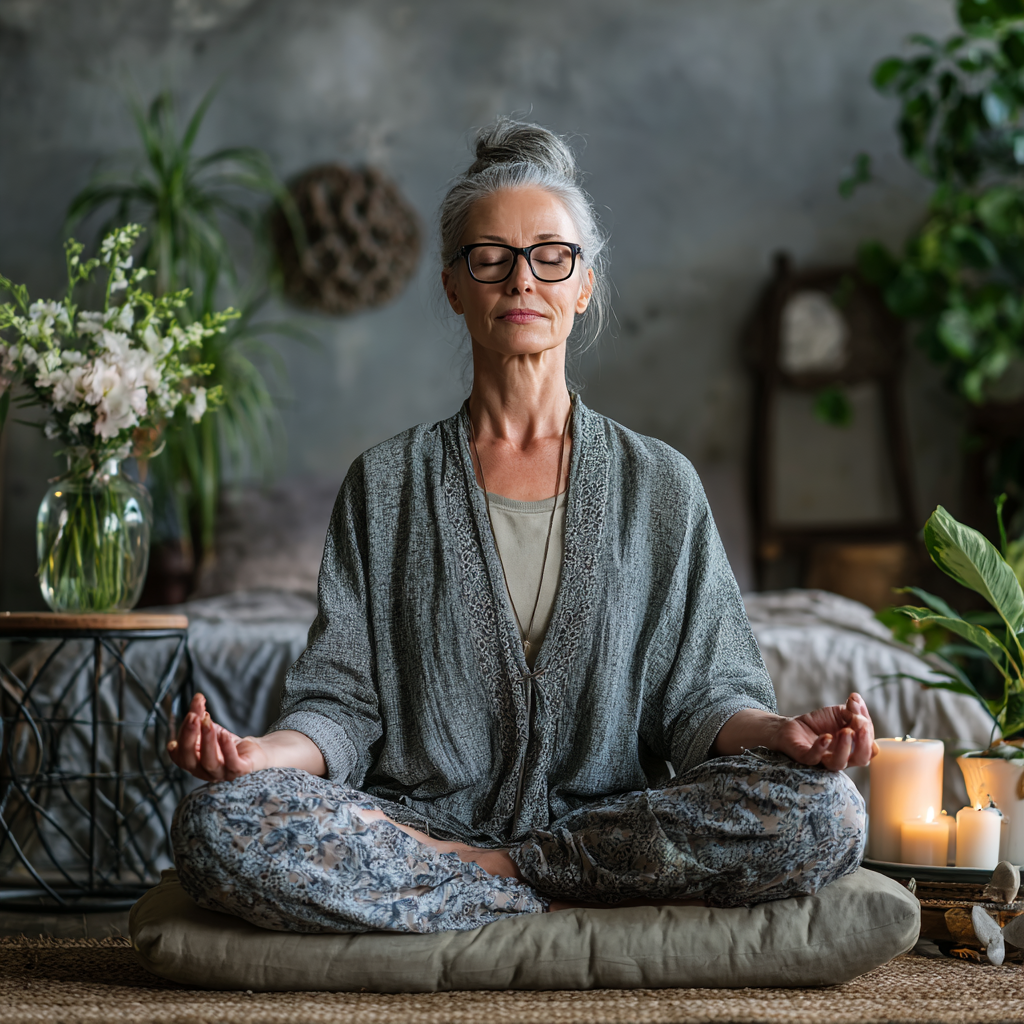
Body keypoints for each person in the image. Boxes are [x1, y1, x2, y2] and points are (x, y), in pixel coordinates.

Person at [169, 117, 875, 935]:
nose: (521, 282)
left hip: (599, 826)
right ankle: (555, 889)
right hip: (429, 824)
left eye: (551, 257)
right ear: (454, 286)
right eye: (491, 258)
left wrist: (779, 731)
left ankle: (486, 879)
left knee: (829, 815)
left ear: (582, 287)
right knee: (216, 825)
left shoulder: (661, 485)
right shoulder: (387, 483)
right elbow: (342, 706)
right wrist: (260, 755)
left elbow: (704, 702)